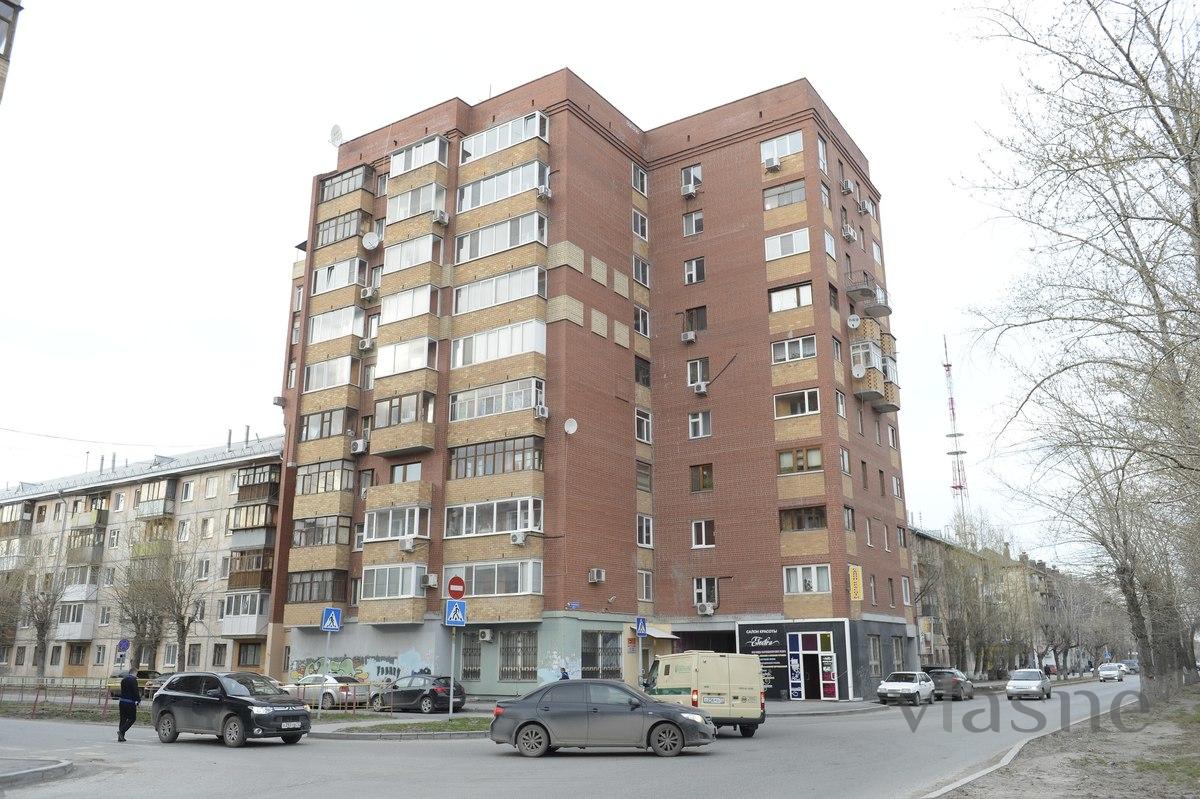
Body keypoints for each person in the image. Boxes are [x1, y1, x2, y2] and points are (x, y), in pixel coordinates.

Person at [117, 667, 141, 742]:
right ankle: (121, 731)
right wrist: (138, 700)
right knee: (132, 718)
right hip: (130, 702)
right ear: (134, 672)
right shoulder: (133, 680)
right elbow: (135, 691)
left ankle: (121, 737)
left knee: (123, 719)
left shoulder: (123, 680)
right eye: (136, 673)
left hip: (122, 702)